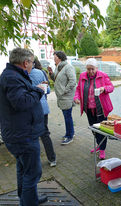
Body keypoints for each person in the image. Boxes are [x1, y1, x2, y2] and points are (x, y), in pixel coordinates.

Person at [0, 48, 48, 205]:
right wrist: (39, 91)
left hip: (20, 132)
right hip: (23, 135)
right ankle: (28, 202)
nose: (32, 65)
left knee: (23, 169)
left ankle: (28, 199)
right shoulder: (12, 77)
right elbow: (21, 102)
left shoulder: (13, 75)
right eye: (32, 62)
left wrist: (34, 90)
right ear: (25, 62)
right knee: (33, 172)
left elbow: (20, 97)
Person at [74, 58, 114, 160]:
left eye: (92, 69)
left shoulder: (103, 75)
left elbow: (111, 87)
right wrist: (76, 97)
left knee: (102, 130)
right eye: (88, 69)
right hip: (89, 108)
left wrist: (103, 89)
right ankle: (99, 145)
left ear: (96, 68)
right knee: (94, 129)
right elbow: (78, 88)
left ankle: (102, 149)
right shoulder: (83, 76)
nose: (91, 71)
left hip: (101, 108)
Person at [29, 58, 57, 167]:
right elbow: (48, 90)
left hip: (30, 108)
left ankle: (34, 162)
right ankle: (52, 159)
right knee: (45, 134)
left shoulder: (22, 75)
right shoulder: (41, 72)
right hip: (43, 107)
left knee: (32, 135)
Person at [48, 51, 76, 145]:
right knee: (67, 116)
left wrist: (64, 91)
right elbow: (56, 80)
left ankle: (69, 136)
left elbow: (72, 81)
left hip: (66, 97)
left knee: (67, 116)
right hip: (62, 97)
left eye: (55, 57)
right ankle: (70, 132)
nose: (53, 59)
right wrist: (51, 73)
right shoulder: (58, 67)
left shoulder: (68, 67)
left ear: (60, 58)